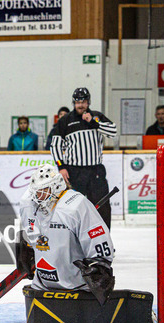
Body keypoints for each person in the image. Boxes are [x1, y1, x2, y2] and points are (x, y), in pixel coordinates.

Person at [15, 165, 151, 323]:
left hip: (75, 286)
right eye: (36, 191)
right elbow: (30, 230)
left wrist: (98, 265)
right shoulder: (28, 202)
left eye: (43, 191)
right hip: (43, 285)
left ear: (56, 187)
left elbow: (98, 238)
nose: (38, 196)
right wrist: (27, 247)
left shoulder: (76, 205)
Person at [50, 87, 117, 228]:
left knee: (102, 207)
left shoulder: (97, 116)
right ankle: (73, 238)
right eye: (78, 102)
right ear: (74, 103)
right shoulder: (65, 121)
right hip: (74, 172)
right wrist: (61, 167)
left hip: (95, 171)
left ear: (88, 102)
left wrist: (94, 123)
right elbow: (55, 145)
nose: (80, 105)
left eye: (83, 102)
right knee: (72, 207)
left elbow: (113, 132)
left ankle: (104, 238)